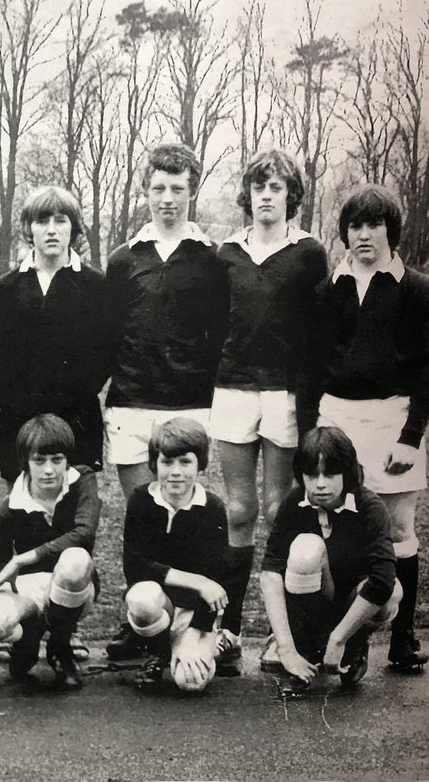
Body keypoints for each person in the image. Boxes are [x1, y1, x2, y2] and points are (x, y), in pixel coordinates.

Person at [297, 185, 429, 673]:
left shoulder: (417, 289)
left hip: (393, 420)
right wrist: (310, 432)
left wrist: (411, 437)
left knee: (397, 530)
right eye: (355, 225)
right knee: (334, 524)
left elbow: (426, 372)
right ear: (345, 233)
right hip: (336, 420)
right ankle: (340, 637)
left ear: (391, 230)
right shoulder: (326, 291)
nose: (364, 234)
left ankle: (402, 638)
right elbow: (308, 371)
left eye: (374, 225)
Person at [104, 144, 227, 660]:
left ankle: (198, 627)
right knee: (146, 514)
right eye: (158, 188)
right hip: (131, 404)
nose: (168, 199)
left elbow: (220, 334)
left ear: (191, 191)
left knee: (185, 513)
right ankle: (143, 623)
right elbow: (109, 334)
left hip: (187, 406)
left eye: (178, 189)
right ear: (145, 190)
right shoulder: (123, 258)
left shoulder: (210, 259)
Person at [209, 151, 328, 673]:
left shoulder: (308, 254)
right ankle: (228, 632)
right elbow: (216, 324)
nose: (266, 196)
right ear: (248, 194)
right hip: (234, 389)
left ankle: (288, 637)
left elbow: (318, 326)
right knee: (239, 510)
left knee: (282, 507)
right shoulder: (226, 254)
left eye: (276, 188)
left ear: (291, 197)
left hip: (284, 394)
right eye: (259, 186)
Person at [0, 414, 100, 694]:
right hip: (29, 592)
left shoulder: (82, 481)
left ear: (67, 460)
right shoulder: (10, 506)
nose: (49, 470)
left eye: (57, 460)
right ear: (25, 461)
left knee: (76, 559)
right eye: (39, 461)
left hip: (74, 586)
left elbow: (84, 533)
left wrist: (24, 557)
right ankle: (29, 637)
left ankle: (60, 647)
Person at [259, 426, 402, 698]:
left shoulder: (369, 507)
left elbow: (383, 579)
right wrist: (286, 647)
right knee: (305, 549)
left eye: (330, 473)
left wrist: (339, 639)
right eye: (312, 475)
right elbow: (270, 571)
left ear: (347, 472)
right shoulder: (293, 503)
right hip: (310, 600)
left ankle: (355, 644)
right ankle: (302, 654)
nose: (320, 483)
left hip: (351, 602)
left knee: (393, 592)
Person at [0, 186, 115, 479]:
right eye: (42, 221)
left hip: (78, 422)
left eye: (60, 221)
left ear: (73, 228)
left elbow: (104, 356)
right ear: (28, 227)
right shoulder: (3, 290)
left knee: (76, 514)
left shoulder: (97, 287)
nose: (51, 230)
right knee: (24, 514)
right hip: (20, 422)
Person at [120, 418, 229, 693]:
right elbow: (135, 567)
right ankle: (157, 654)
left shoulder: (212, 508)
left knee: (190, 684)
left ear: (200, 464)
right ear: (154, 464)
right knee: (142, 597)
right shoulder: (141, 499)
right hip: (159, 604)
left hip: (194, 612)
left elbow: (216, 580)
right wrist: (197, 581)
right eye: (167, 462)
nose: (176, 472)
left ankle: (213, 642)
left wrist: (196, 629)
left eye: (185, 462)